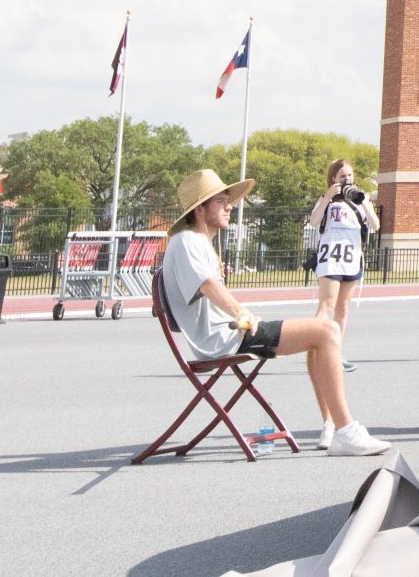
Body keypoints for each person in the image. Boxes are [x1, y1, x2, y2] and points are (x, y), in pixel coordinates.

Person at [159, 168, 390, 457]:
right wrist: (243, 313)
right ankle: (346, 431)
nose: (230, 206)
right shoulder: (187, 241)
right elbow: (208, 286)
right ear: (200, 209)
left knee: (323, 332)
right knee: (327, 330)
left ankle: (338, 427)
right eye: (220, 201)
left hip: (227, 334)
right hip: (225, 339)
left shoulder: (194, 241)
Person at [306, 158, 381, 371]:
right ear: (333, 179)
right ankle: (316, 352)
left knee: (343, 307)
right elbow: (313, 221)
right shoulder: (327, 200)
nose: (347, 179)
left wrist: (364, 202)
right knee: (326, 305)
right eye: (342, 176)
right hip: (331, 258)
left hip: (351, 259)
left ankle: (335, 353)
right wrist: (328, 196)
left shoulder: (361, 199)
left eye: (349, 175)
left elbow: (375, 226)